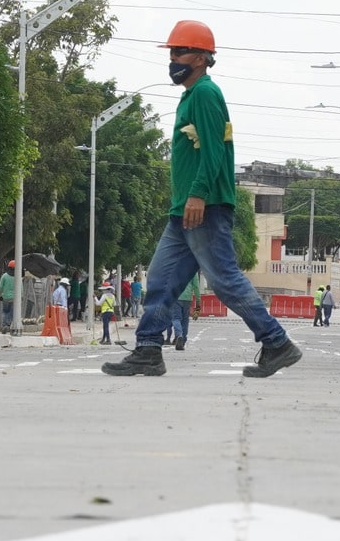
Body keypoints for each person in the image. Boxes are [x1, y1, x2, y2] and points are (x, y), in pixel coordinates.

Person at [104, 20, 301, 378]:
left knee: (224, 279)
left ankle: (276, 342)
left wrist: (197, 195)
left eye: (179, 51)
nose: (173, 58)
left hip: (204, 207)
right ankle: (148, 349)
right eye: (172, 52)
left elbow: (213, 152)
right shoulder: (190, 96)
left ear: (200, 56)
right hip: (184, 210)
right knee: (161, 280)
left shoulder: (207, 94)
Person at [0, 260, 17, 333]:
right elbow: (21, 288)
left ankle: (4, 325)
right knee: (12, 313)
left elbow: (1, 287)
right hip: (14, 298)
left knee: (5, 312)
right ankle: (10, 326)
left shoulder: (4, 276)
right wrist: (21, 297)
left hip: (5, 298)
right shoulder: (17, 277)